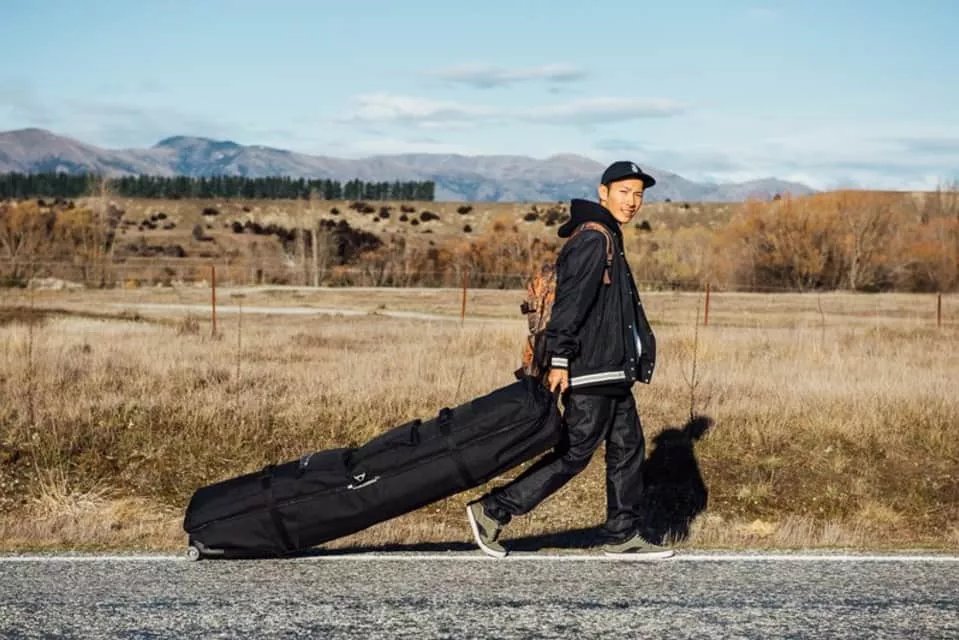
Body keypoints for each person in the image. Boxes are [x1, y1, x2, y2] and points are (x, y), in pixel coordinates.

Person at [466, 161, 673, 559]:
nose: (632, 201)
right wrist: (560, 358)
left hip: (613, 370)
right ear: (603, 193)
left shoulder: (608, 236)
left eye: (638, 194)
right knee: (576, 451)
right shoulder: (594, 238)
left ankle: (622, 533)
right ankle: (493, 510)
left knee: (628, 447)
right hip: (591, 369)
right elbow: (570, 304)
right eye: (624, 192)